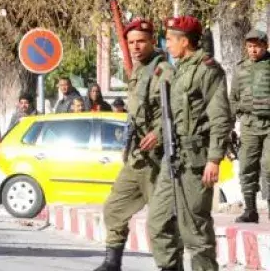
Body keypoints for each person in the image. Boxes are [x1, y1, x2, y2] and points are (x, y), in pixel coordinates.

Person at [148, 15, 232, 271]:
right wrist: (157, 133)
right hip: (172, 157)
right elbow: (173, 114)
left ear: (185, 41)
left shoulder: (208, 70)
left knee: (195, 229)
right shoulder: (177, 70)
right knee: (158, 222)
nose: (167, 44)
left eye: (170, 39)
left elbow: (220, 117)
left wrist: (214, 159)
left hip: (196, 160)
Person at [93, 18, 174, 271]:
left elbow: (176, 111)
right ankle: (112, 262)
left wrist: (159, 133)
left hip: (158, 159)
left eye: (141, 41)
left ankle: (170, 266)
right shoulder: (138, 71)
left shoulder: (164, 71)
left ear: (152, 41)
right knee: (114, 207)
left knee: (161, 221)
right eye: (131, 43)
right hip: (137, 156)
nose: (136, 47)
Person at [229, 29, 270, 223]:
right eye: (250, 46)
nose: (253, 50)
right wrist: (229, 127)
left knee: (268, 166)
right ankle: (250, 210)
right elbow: (233, 99)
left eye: (257, 46)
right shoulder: (240, 69)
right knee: (246, 166)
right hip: (248, 124)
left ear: (265, 46)